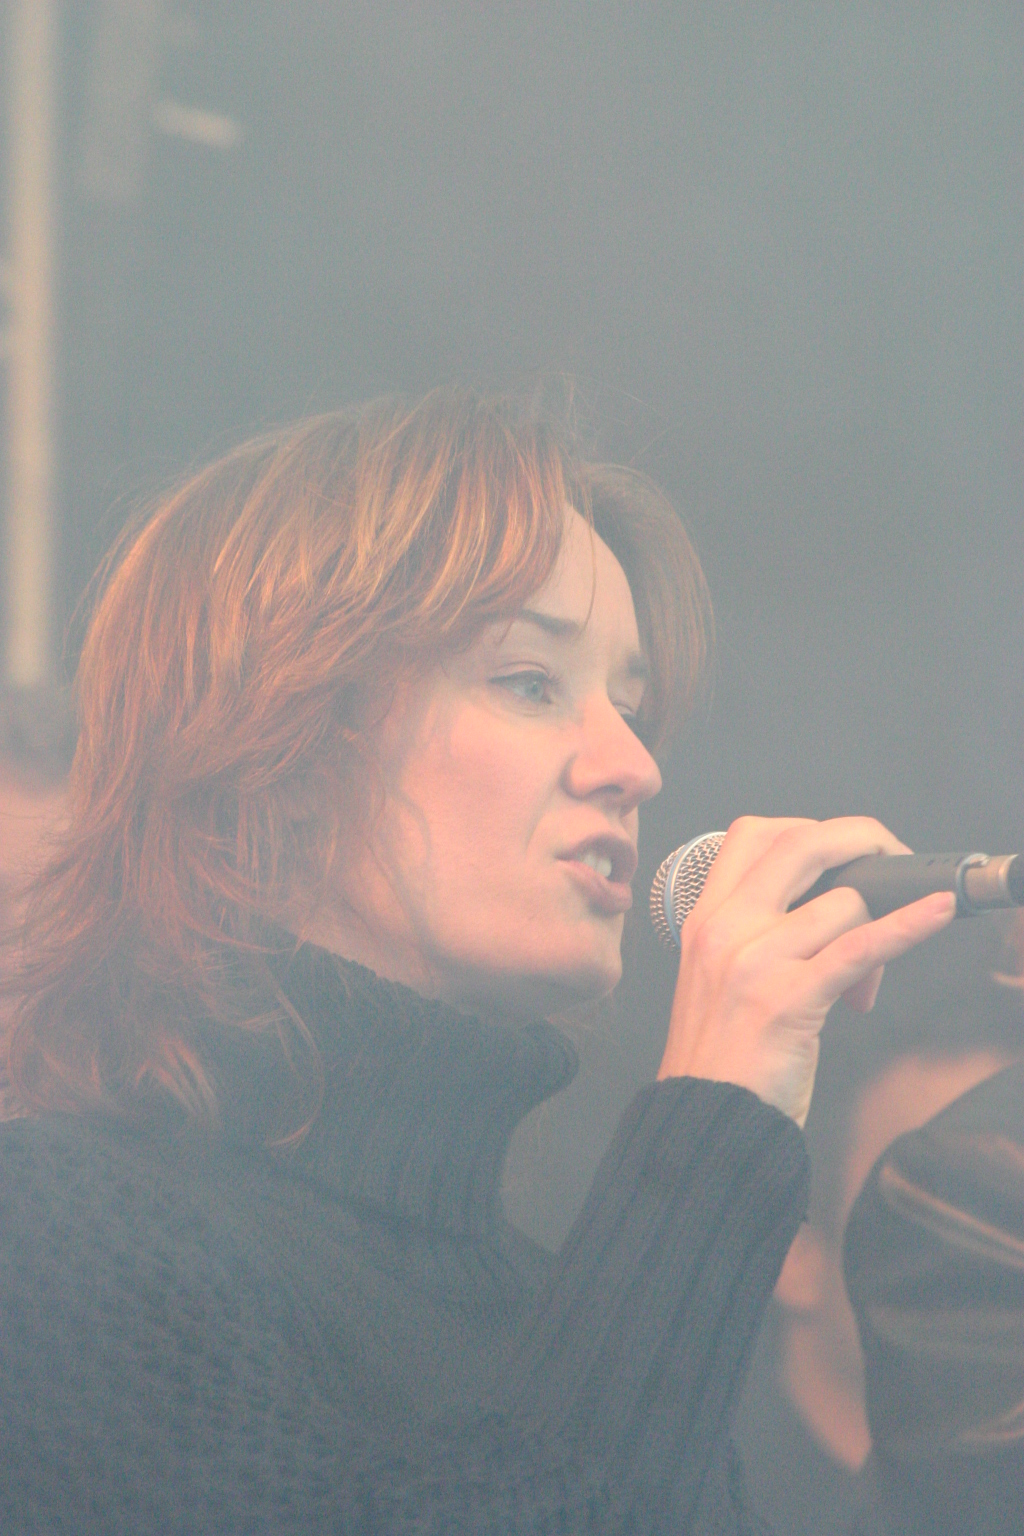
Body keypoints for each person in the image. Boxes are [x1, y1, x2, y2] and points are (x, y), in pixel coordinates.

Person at [0, 390, 954, 1534]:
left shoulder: (557, 1304)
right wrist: (709, 1128)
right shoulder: (56, 1229)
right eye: (529, 683)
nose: (632, 764)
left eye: (630, 705)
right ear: (281, 744)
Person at [734, 944, 1020, 1536]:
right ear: (795, 1252)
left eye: (1005, 1194)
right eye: (935, 1194)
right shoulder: (693, 1493)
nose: (995, 1237)